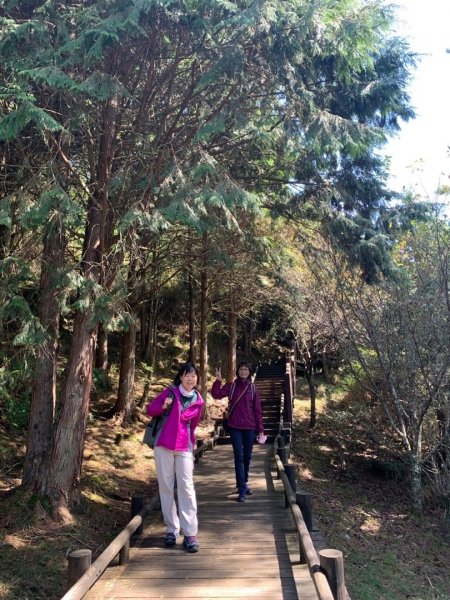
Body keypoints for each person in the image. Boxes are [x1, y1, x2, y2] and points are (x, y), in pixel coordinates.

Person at [146, 362, 204, 552]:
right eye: (187, 375)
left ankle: (190, 533)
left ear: (197, 379)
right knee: (166, 486)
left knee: (187, 487)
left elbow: (193, 425)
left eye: (193, 375)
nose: (190, 378)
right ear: (181, 377)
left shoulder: (198, 400)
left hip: (184, 448)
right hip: (163, 446)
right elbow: (150, 410)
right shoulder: (170, 392)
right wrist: (163, 405)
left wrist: (191, 442)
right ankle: (171, 529)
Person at [211, 361, 264, 503]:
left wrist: (261, 430)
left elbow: (258, 411)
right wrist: (218, 380)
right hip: (234, 426)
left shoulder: (253, 388)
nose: (244, 371)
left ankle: (244, 483)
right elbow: (216, 394)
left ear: (250, 372)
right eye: (241, 369)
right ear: (238, 371)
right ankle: (241, 488)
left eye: (246, 369)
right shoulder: (232, 386)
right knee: (238, 456)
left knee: (247, 456)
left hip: (250, 427)